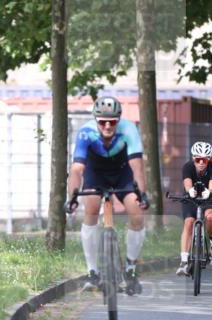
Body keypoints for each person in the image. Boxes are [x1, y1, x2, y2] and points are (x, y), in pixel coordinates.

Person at [64, 96, 149, 294]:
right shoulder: (86, 133)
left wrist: (142, 194)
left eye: (112, 121)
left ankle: (130, 267)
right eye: (103, 121)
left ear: (119, 119)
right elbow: (77, 170)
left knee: (137, 213)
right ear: (96, 120)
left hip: (122, 172)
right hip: (96, 173)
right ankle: (92, 272)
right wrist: (72, 197)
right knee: (91, 210)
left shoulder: (129, 130)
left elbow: (137, 166)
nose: (108, 125)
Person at [176, 142, 212, 277]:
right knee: (189, 222)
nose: (201, 162)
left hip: (208, 197)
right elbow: (187, 182)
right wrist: (190, 190)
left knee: (210, 217)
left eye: (205, 159)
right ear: (193, 158)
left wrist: (210, 191)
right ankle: (184, 261)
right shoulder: (187, 167)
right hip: (191, 197)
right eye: (198, 159)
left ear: (209, 159)